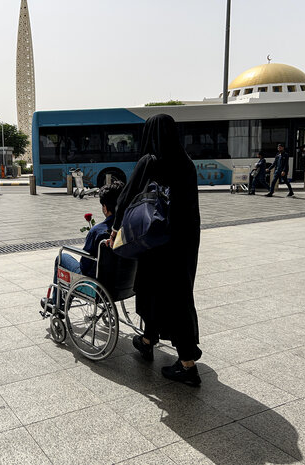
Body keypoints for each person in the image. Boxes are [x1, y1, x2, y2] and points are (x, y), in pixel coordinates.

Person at [109, 114, 202, 387]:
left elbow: (126, 198)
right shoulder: (186, 163)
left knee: (164, 295)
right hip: (183, 243)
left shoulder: (149, 161)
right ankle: (148, 340)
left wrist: (115, 230)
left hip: (155, 243)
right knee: (168, 293)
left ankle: (187, 365)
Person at [41, 181, 125, 310]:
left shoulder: (98, 231)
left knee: (62, 257)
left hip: (97, 286)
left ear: (105, 207)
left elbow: (84, 265)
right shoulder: (130, 227)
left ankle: (58, 303)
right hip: (124, 284)